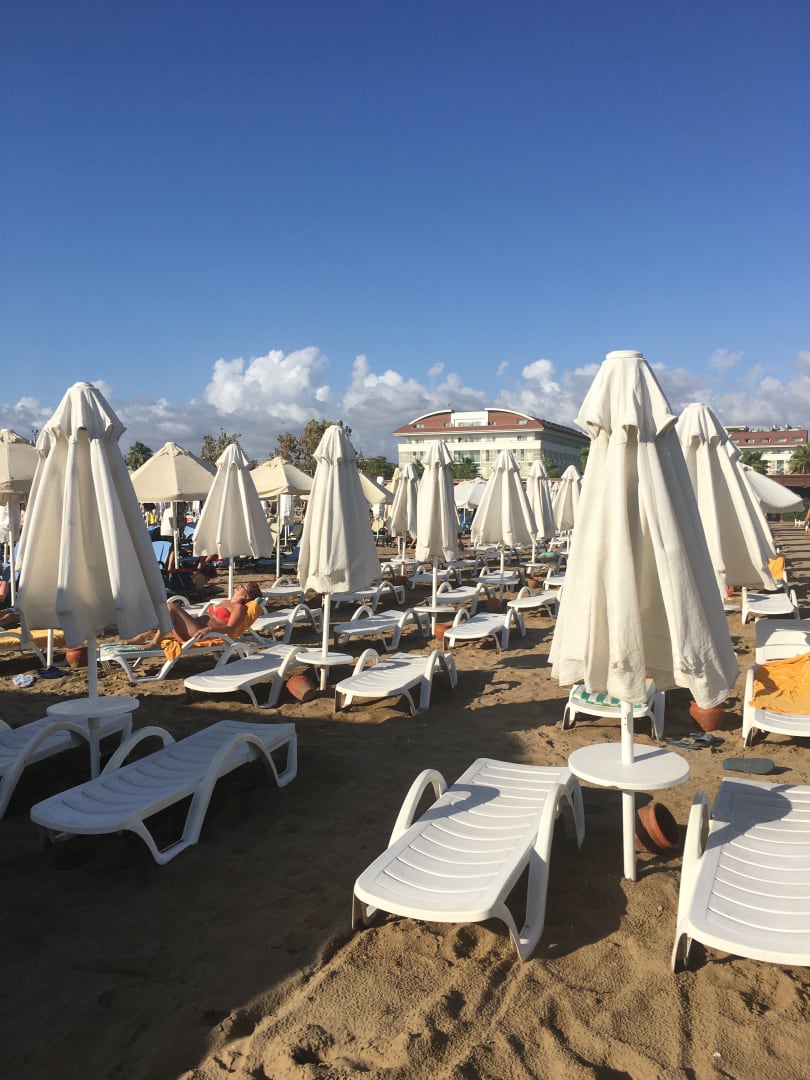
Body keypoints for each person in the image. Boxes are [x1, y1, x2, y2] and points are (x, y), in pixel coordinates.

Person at [124, 581, 262, 648]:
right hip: (193, 628)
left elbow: (230, 628)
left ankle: (155, 642)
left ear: (247, 595)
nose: (239, 586)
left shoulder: (238, 608)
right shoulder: (224, 601)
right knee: (165, 612)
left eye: (243, 587)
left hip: (198, 634)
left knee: (171, 607)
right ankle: (142, 637)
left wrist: (209, 629)